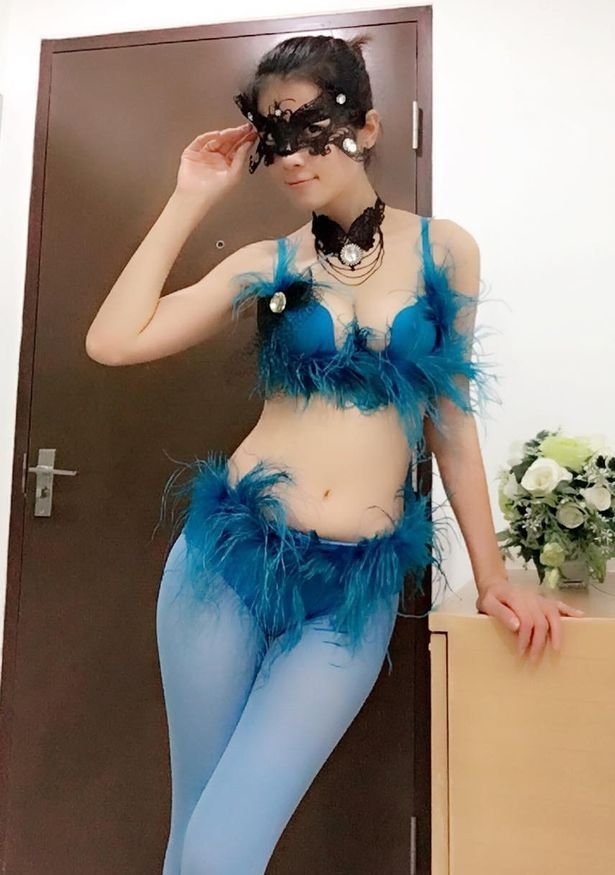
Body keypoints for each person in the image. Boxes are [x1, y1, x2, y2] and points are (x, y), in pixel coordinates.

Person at [85, 32, 585, 875]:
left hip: (349, 592)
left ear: (368, 127)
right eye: (271, 137)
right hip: (226, 562)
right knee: (195, 834)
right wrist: (188, 197)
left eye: (310, 128)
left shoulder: (444, 250)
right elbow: (113, 340)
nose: (289, 156)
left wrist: (493, 576)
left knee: (219, 846)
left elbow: (450, 421)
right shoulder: (268, 261)